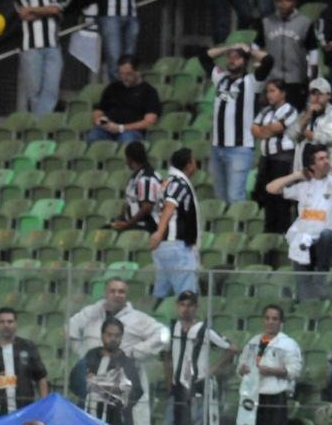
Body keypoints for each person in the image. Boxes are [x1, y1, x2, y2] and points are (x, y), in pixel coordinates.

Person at [266, 144, 332, 301]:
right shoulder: (303, 185)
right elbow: (271, 188)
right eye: (321, 159)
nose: (326, 161)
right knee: (302, 277)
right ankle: (305, 304)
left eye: (327, 157)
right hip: (305, 241)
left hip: (327, 243)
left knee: (327, 234)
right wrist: (296, 176)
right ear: (312, 164)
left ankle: (321, 275)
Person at [68, 278, 167, 425]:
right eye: (113, 291)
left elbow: (164, 334)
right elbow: (70, 328)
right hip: (94, 373)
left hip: (125, 372)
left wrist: (136, 352)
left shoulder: (139, 319)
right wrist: (83, 353)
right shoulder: (90, 313)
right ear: (106, 293)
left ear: (127, 294)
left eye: (121, 291)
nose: (117, 295)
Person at [201, 42, 275, 203]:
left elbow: (269, 61)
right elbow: (204, 57)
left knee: (235, 196)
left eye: (237, 57)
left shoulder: (252, 81)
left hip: (239, 148)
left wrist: (251, 51)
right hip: (217, 147)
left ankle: (237, 229)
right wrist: (229, 47)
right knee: (221, 199)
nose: (232, 60)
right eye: (230, 57)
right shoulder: (221, 79)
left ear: (245, 61)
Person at [164, 290, 238, 425]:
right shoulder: (172, 328)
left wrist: (211, 370)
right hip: (176, 386)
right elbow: (166, 355)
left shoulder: (204, 330)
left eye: (190, 305)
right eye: (183, 304)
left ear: (196, 307)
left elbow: (232, 348)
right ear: (177, 306)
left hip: (197, 385)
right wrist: (168, 380)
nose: (186, 308)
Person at [236, 305, 303, 425]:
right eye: (267, 318)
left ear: (281, 322)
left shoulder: (288, 344)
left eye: (274, 319)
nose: (270, 322)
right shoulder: (253, 341)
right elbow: (241, 363)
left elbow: (295, 371)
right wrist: (242, 369)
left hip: (274, 396)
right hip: (253, 395)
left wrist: (272, 371)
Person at [0, 307, 49, 423]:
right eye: (2, 322)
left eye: (10, 321)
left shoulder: (28, 348)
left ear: (16, 324)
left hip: (23, 415)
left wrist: (44, 407)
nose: (6, 325)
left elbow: (41, 378)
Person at [256, 0, 319, 109]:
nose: (283, 4)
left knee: (294, 115)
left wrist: (313, 75)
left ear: (295, 2)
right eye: (279, 0)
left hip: (296, 79)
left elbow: (313, 50)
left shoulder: (304, 22)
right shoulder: (267, 22)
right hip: (273, 79)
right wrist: (259, 66)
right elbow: (255, 46)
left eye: (287, 0)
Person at [75, 318, 144, 425]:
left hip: (116, 421)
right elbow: (75, 381)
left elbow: (136, 391)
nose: (113, 339)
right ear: (102, 335)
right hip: (88, 417)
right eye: (109, 335)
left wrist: (119, 391)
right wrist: (86, 381)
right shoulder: (91, 356)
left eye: (117, 336)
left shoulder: (127, 363)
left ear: (121, 337)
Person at [150, 148, 200, 299]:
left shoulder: (167, 182)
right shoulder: (178, 183)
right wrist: (159, 233)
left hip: (164, 247)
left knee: (160, 295)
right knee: (187, 297)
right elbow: (170, 206)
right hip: (176, 246)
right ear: (188, 165)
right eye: (194, 161)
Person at [253, 79, 301, 235]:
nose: (269, 95)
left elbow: (275, 128)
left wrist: (264, 130)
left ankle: (282, 235)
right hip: (267, 159)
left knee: (281, 200)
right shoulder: (266, 111)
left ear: (283, 93)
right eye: (268, 91)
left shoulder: (290, 110)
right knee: (267, 199)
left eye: (273, 91)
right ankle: (269, 235)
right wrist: (265, 131)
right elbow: (255, 129)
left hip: (283, 160)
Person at [15, 0, 63, 115]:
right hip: (31, 48)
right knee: (34, 90)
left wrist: (32, 9)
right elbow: (24, 16)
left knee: (52, 88)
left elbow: (55, 8)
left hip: (53, 46)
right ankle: (42, 126)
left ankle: (40, 125)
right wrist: (47, 11)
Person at [87, 55, 161, 144]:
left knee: (127, 139)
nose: (124, 78)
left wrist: (121, 128)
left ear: (137, 71)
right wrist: (105, 123)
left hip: (131, 131)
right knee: (94, 136)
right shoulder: (112, 88)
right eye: (121, 74)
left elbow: (149, 121)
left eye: (128, 74)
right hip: (108, 129)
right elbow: (98, 113)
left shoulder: (149, 91)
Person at [94, 0, 144, 82]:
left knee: (130, 61)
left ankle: (128, 94)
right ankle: (118, 95)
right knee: (115, 61)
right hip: (109, 14)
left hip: (131, 13)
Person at [287, 76, 332, 172]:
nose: (316, 98)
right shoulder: (306, 113)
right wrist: (306, 117)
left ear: (329, 96)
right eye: (313, 94)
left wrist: (312, 135)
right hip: (302, 167)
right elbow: (291, 135)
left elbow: (329, 138)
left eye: (320, 94)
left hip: (326, 168)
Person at [112, 140, 162, 234]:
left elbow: (147, 207)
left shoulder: (147, 178)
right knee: (104, 230)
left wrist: (128, 224)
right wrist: (121, 220)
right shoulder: (135, 177)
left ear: (129, 159)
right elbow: (129, 201)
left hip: (146, 226)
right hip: (133, 224)